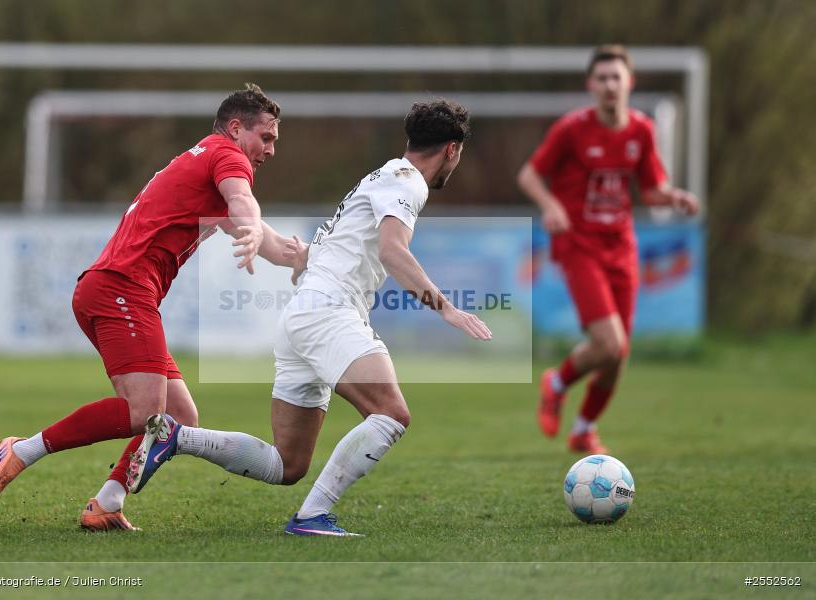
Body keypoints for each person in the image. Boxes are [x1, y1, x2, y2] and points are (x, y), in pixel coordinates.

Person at [125, 99, 492, 536]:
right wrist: (446, 308)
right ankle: (311, 517)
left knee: (288, 464)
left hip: (304, 313)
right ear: (452, 149)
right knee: (392, 414)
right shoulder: (408, 182)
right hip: (328, 312)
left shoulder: (383, 176)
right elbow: (394, 250)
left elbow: (344, 242)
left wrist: (304, 256)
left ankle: (177, 437)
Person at [0, 84, 307, 531]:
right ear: (235, 128)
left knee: (179, 418)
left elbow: (261, 233)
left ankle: (106, 503)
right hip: (121, 289)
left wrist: (304, 258)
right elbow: (244, 204)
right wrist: (248, 222)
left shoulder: (205, 165)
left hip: (118, 291)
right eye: (266, 138)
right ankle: (20, 450)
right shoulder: (226, 156)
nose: (270, 149)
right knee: (144, 413)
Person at [518, 45, 700, 453]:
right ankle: (558, 382)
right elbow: (530, 174)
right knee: (609, 343)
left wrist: (675, 197)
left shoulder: (641, 130)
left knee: (618, 354)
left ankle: (583, 429)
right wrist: (550, 206)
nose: (609, 85)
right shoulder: (570, 129)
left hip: (621, 246)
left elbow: (651, 191)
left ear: (630, 83)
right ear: (590, 85)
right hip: (578, 244)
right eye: (601, 78)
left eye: (616, 77)